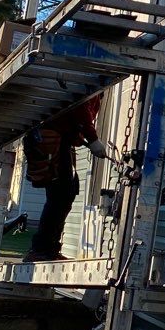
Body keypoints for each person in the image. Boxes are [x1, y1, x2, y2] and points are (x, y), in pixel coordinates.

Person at [22, 98, 106, 262]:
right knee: (61, 193)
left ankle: (48, 248)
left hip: (62, 139)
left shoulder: (99, 88)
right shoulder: (93, 79)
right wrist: (93, 139)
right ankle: (41, 249)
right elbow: (79, 108)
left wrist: (81, 138)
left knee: (67, 191)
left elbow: (76, 119)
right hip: (54, 138)